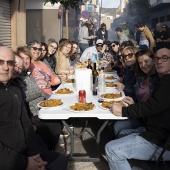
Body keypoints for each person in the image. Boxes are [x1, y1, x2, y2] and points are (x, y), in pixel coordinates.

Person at [0, 46, 68, 170]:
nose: (5, 67)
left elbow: (26, 123)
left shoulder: (14, 89)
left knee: (61, 161)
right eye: (0, 62)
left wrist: (35, 155)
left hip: (26, 151)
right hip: (10, 160)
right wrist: (25, 164)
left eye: (10, 63)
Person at [105, 48, 170, 170]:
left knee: (111, 149)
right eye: (157, 59)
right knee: (121, 132)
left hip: (161, 142)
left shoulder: (166, 81)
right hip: (152, 131)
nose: (160, 61)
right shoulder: (162, 79)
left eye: (165, 58)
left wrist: (124, 111)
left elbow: (153, 106)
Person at [114, 49, 159, 138]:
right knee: (116, 126)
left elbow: (153, 105)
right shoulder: (141, 76)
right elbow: (137, 95)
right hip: (139, 114)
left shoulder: (158, 79)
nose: (143, 65)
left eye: (146, 61)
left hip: (148, 120)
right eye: (140, 63)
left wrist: (124, 88)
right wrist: (133, 101)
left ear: (154, 60)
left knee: (118, 128)